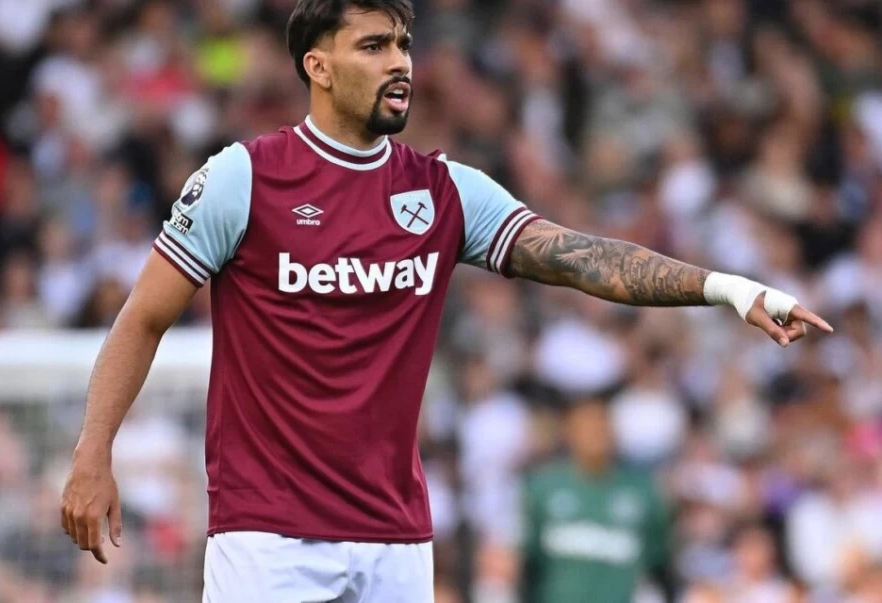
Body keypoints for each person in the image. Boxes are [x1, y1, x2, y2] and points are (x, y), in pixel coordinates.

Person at [59, 0, 833, 600]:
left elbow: (582, 259)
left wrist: (726, 287)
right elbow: (145, 316)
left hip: (397, 536)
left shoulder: (443, 191)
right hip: (269, 535)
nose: (400, 62)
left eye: (402, 43)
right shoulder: (244, 178)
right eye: (374, 45)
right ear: (317, 66)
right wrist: (93, 451)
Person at [520, 398, 672, 603]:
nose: (595, 434)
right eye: (586, 426)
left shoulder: (643, 492)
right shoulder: (542, 488)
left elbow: (657, 562)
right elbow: (524, 560)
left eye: (602, 425)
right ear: (569, 433)